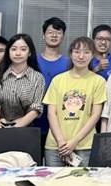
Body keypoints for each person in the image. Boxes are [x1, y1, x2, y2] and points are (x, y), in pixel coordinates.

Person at [43, 37, 106, 167]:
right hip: (55, 145)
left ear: (93, 55)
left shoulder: (98, 81)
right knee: (54, 180)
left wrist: (74, 141)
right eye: (77, 52)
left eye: (86, 52)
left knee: (82, 180)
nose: (81, 56)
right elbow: (51, 113)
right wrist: (61, 141)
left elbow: (95, 115)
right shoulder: (58, 80)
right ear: (71, 54)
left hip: (85, 145)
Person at [0, 33, 44, 129]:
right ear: (8, 52)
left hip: (24, 130)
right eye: (13, 49)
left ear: (30, 52)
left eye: (23, 49)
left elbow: (36, 108)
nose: (18, 53)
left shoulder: (38, 77)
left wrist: (14, 129)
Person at [35, 17, 72, 139]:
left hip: (61, 123)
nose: (54, 35)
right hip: (34, 121)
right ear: (43, 35)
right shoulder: (32, 61)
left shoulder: (69, 63)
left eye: (58, 32)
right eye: (50, 32)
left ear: (63, 36)